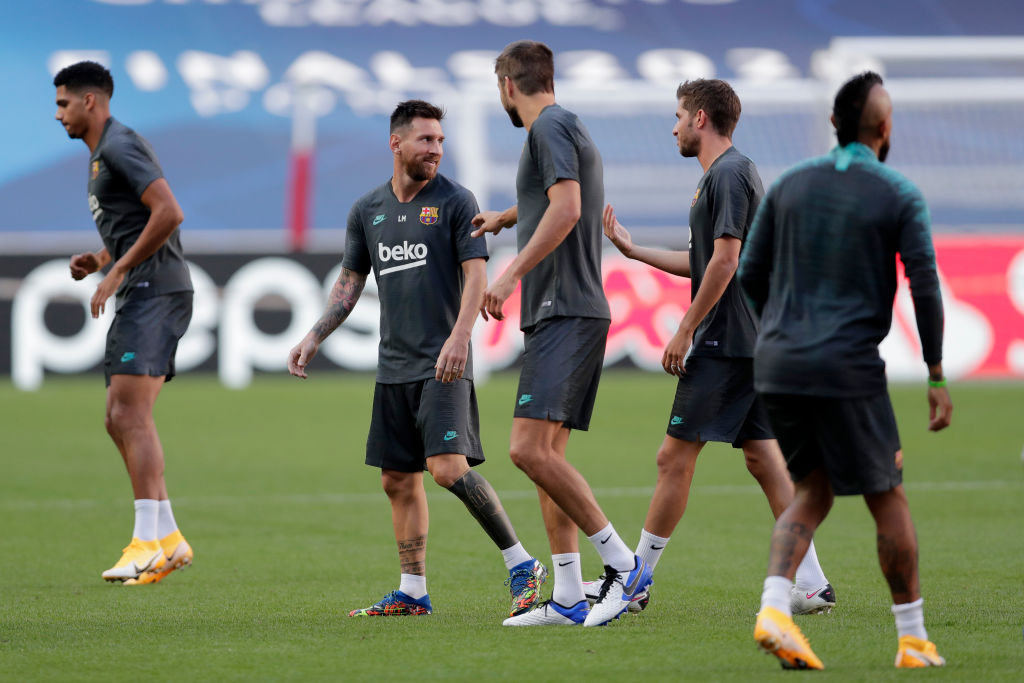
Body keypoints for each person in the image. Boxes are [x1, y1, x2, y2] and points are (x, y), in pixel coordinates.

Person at [287, 100, 545, 619]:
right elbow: (350, 282)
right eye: (426, 140)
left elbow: (475, 275)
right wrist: (315, 335)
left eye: (441, 140)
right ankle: (412, 592)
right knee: (397, 480)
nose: (436, 149)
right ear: (396, 143)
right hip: (393, 365)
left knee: (446, 469)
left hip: (444, 360)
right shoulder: (367, 210)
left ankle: (522, 563)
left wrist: (460, 337)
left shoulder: (456, 201)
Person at [738, 71, 951, 670]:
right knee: (888, 497)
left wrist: (780, 329)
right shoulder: (898, 191)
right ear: (885, 127)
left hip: (777, 362)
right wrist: (935, 372)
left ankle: (775, 610)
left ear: (834, 124)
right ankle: (913, 640)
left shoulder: (789, 184)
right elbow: (924, 284)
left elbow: (750, 275)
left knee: (812, 489)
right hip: (847, 365)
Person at [597, 79, 833, 616]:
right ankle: (812, 582)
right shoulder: (726, 175)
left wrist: (686, 328)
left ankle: (636, 580)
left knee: (673, 457)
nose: (673, 127)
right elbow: (706, 260)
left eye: (678, 115)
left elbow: (726, 261)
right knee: (763, 458)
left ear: (700, 118)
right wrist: (635, 252)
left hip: (728, 340)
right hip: (753, 339)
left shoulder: (727, 174)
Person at [471, 40, 651, 628]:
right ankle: (570, 596)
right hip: (568, 308)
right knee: (546, 457)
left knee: (526, 450)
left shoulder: (546, 128)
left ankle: (624, 565)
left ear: (507, 85)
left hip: (564, 307)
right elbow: (553, 198)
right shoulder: (564, 125)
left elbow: (568, 207)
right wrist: (507, 216)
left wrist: (509, 275)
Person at [54, 61, 194, 585]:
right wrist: (100, 258)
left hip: (155, 291)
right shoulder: (102, 154)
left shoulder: (118, 145)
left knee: (130, 413)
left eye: (63, 103)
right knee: (117, 417)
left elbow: (169, 212)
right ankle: (170, 538)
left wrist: (117, 271)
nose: (58, 114)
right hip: (144, 289)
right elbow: (138, 224)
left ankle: (146, 542)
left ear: (90, 101)